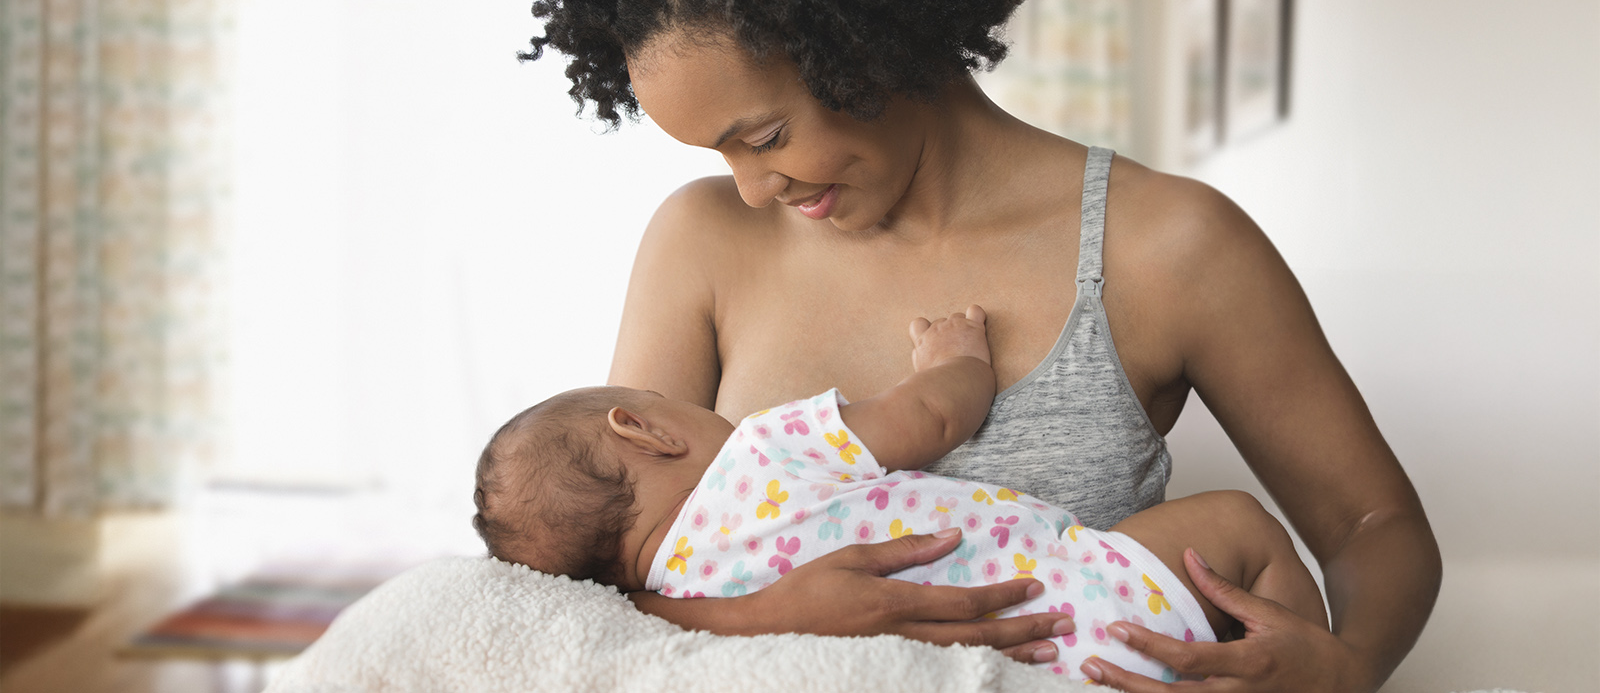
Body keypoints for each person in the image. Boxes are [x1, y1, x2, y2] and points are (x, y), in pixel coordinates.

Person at [521, 0, 1440, 689]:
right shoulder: (701, 242)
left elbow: (1375, 529)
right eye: (719, 153)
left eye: (765, 138)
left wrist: (1347, 668)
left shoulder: (1167, 246)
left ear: (869, 36)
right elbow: (592, 577)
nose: (753, 188)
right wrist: (758, 620)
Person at [472, 306, 1329, 683]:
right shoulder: (764, 450)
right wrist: (953, 356)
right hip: (1088, 599)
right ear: (645, 431)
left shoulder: (672, 603)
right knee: (1240, 523)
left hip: (1040, 674)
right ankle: (1291, 664)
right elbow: (930, 416)